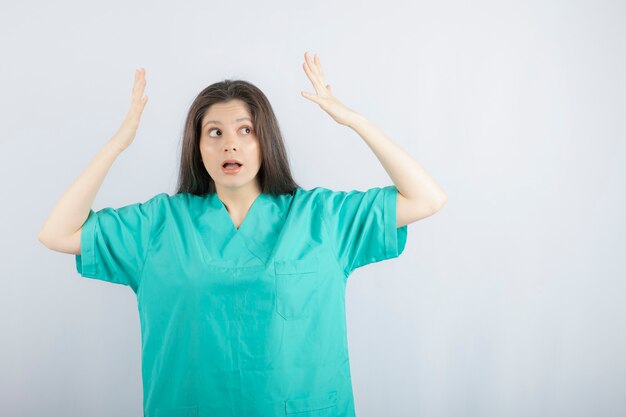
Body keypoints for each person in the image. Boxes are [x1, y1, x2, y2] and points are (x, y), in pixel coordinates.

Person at [38, 51, 447, 417]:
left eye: (245, 130)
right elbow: (57, 233)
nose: (229, 144)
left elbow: (426, 198)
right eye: (214, 132)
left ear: (264, 141)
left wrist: (353, 119)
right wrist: (116, 144)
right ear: (197, 147)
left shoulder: (322, 217)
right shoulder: (159, 225)